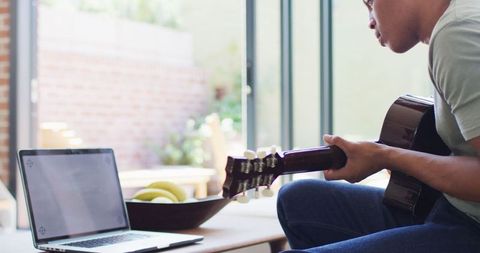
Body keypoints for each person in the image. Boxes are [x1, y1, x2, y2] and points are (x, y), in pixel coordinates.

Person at [276, 0, 480, 252]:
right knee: (297, 202)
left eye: (370, 3)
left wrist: (385, 156)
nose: (371, 20)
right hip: (451, 208)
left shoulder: (456, 35)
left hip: (471, 226)